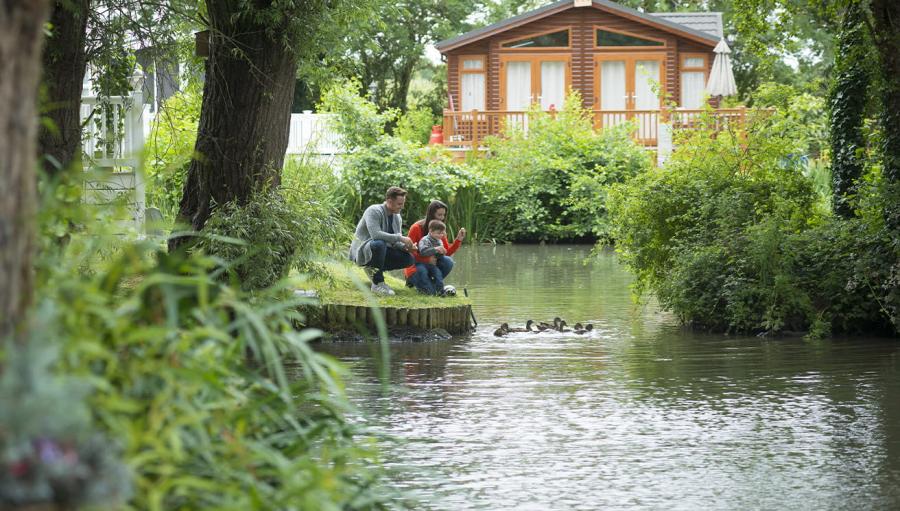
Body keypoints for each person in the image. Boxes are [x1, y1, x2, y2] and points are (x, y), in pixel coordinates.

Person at [348, 186, 415, 296]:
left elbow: (395, 242)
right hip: (363, 250)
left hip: (381, 249)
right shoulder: (374, 210)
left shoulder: (397, 217)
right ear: (389, 201)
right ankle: (377, 284)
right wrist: (400, 237)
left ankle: (373, 269)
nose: (402, 207)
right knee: (379, 244)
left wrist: (406, 247)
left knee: (409, 258)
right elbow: (376, 234)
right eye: (399, 204)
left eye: (403, 203)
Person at [404, 200, 466, 295]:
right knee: (429, 288)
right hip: (416, 265)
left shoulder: (439, 230)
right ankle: (413, 282)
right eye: (439, 215)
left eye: (443, 215)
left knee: (448, 261)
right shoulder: (416, 228)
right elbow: (408, 253)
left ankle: (429, 285)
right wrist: (427, 260)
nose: (442, 218)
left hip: (431, 266)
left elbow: (446, 252)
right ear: (431, 214)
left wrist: (458, 240)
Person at [416, 220, 450, 296]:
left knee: (438, 276)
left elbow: (438, 255)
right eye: (438, 233)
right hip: (422, 264)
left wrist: (442, 253)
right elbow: (423, 252)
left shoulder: (439, 240)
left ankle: (440, 293)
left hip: (432, 265)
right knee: (423, 275)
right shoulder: (425, 240)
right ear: (431, 231)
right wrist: (436, 249)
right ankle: (424, 290)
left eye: (442, 233)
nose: (441, 235)